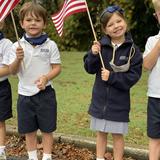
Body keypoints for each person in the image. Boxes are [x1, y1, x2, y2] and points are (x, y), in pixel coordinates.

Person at [83, 5, 142, 160]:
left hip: (119, 104)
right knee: (101, 134)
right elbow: (89, 68)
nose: (116, 26)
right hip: (100, 102)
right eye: (110, 24)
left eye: (118, 21)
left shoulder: (133, 51)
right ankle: (99, 158)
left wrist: (112, 77)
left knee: (117, 135)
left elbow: (133, 78)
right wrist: (93, 54)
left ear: (125, 22)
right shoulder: (100, 47)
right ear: (105, 30)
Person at [5, 2, 61, 160]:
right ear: (22, 24)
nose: (33, 23)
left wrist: (46, 77)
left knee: (47, 129)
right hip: (25, 95)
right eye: (29, 20)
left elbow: (57, 68)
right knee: (29, 131)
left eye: (37, 20)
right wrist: (17, 59)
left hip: (46, 94)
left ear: (44, 23)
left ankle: (47, 156)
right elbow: (12, 71)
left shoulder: (51, 45)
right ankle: (32, 157)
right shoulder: (17, 46)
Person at [143, 0, 160, 159]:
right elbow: (147, 65)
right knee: (154, 137)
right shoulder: (152, 41)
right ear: (157, 16)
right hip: (156, 98)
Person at [0, 21, 13, 160]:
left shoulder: (6, 44)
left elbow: (9, 68)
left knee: (0, 120)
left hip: (1, 87)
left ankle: (1, 150)